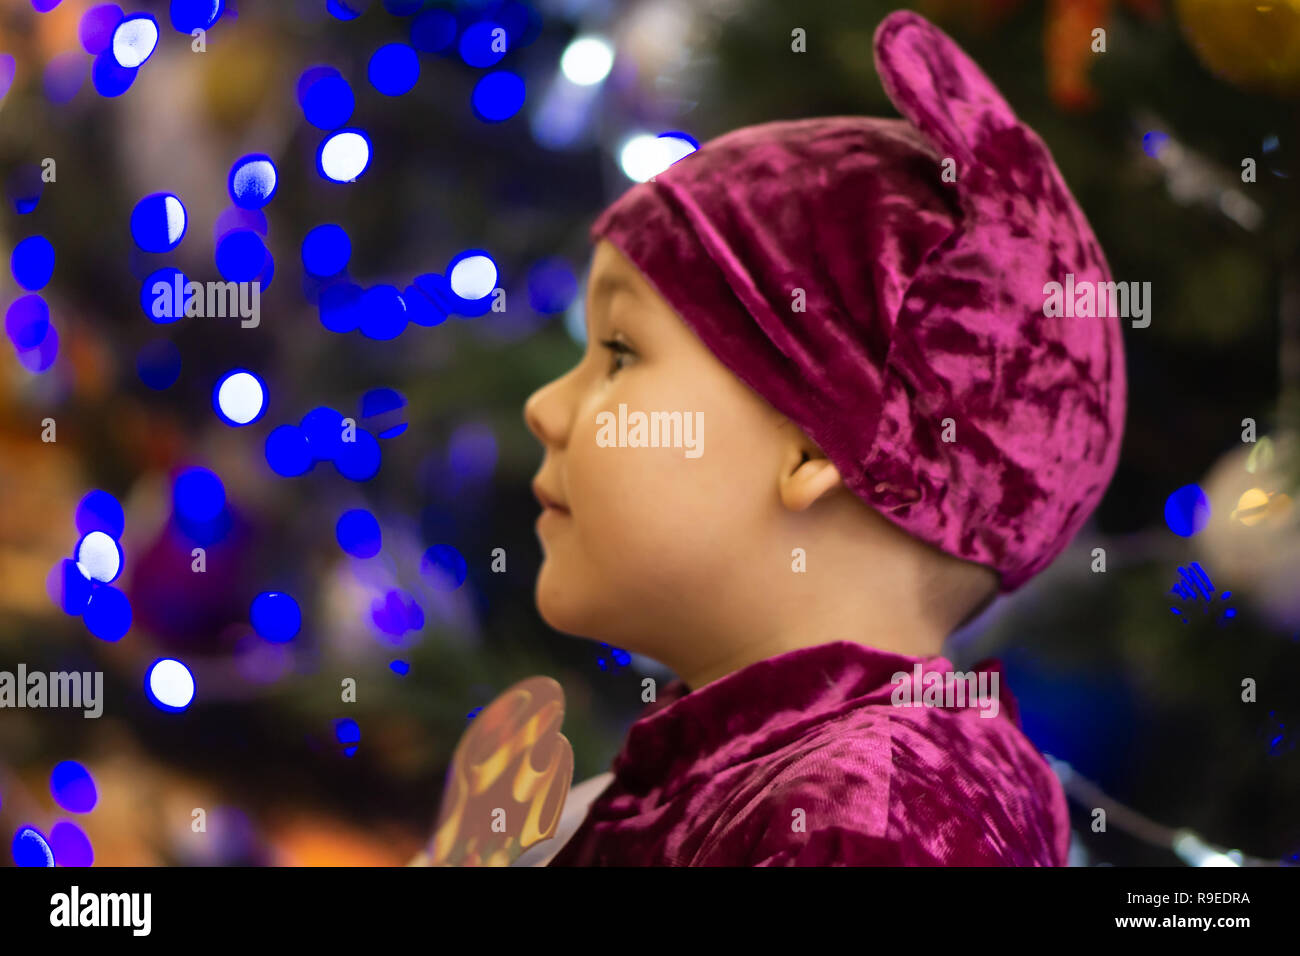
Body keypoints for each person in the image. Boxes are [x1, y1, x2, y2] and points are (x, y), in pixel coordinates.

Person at [521, 10, 1125, 866]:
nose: (544, 406)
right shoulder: (732, 770)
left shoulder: (879, 814)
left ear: (815, 444)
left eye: (619, 353)